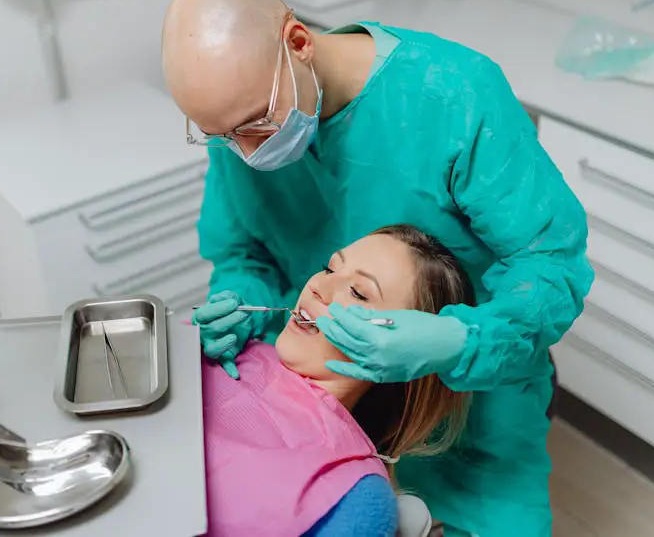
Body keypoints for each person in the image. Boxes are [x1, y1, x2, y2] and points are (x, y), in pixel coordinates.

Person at [162, 0, 593, 536]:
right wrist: (243, 301)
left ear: (298, 42)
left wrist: (457, 341)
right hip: (328, 400)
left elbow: (551, 266)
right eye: (220, 136)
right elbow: (242, 249)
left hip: (474, 409)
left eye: (252, 126)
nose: (245, 152)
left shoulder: (452, 96)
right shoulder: (239, 123)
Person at [202, 225, 473, 536]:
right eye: (329, 268)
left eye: (358, 292)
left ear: (400, 354)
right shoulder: (228, 346)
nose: (319, 285)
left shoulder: (354, 498)